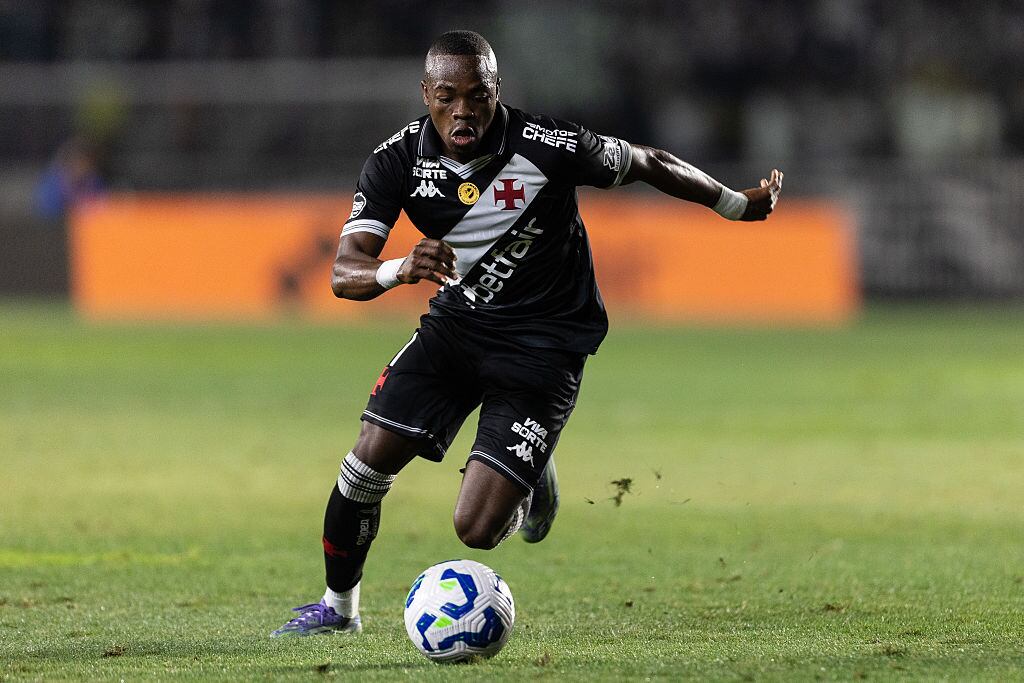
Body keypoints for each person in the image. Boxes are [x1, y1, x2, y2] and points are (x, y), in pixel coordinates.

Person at [271, 30, 782, 637]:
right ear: (425, 95)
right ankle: (338, 611)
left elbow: (647, 161)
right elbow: (342, 272)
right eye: (447, 96)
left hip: (546, 345)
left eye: (477, 96)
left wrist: (735, 205)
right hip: (457, 329)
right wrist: (397, 268)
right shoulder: (395, 162)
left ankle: (531, 472)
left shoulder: (549, 147)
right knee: (363, 468)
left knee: (477, 531)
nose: (463, 111)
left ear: (496, 92)